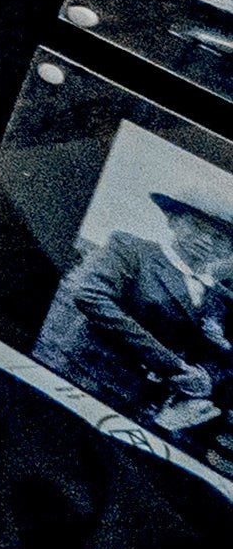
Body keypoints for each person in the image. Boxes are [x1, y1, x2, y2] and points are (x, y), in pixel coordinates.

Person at [44, 183, 233, 438]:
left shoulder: (219, 298)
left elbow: (220, 355)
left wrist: (206, 376)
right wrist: (172, 364)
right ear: (174, 221)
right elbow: (91, 297)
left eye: (220, 237)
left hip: (145, 409)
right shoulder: (132, 250)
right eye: (198, 226)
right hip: (84, 377)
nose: (207, 241)